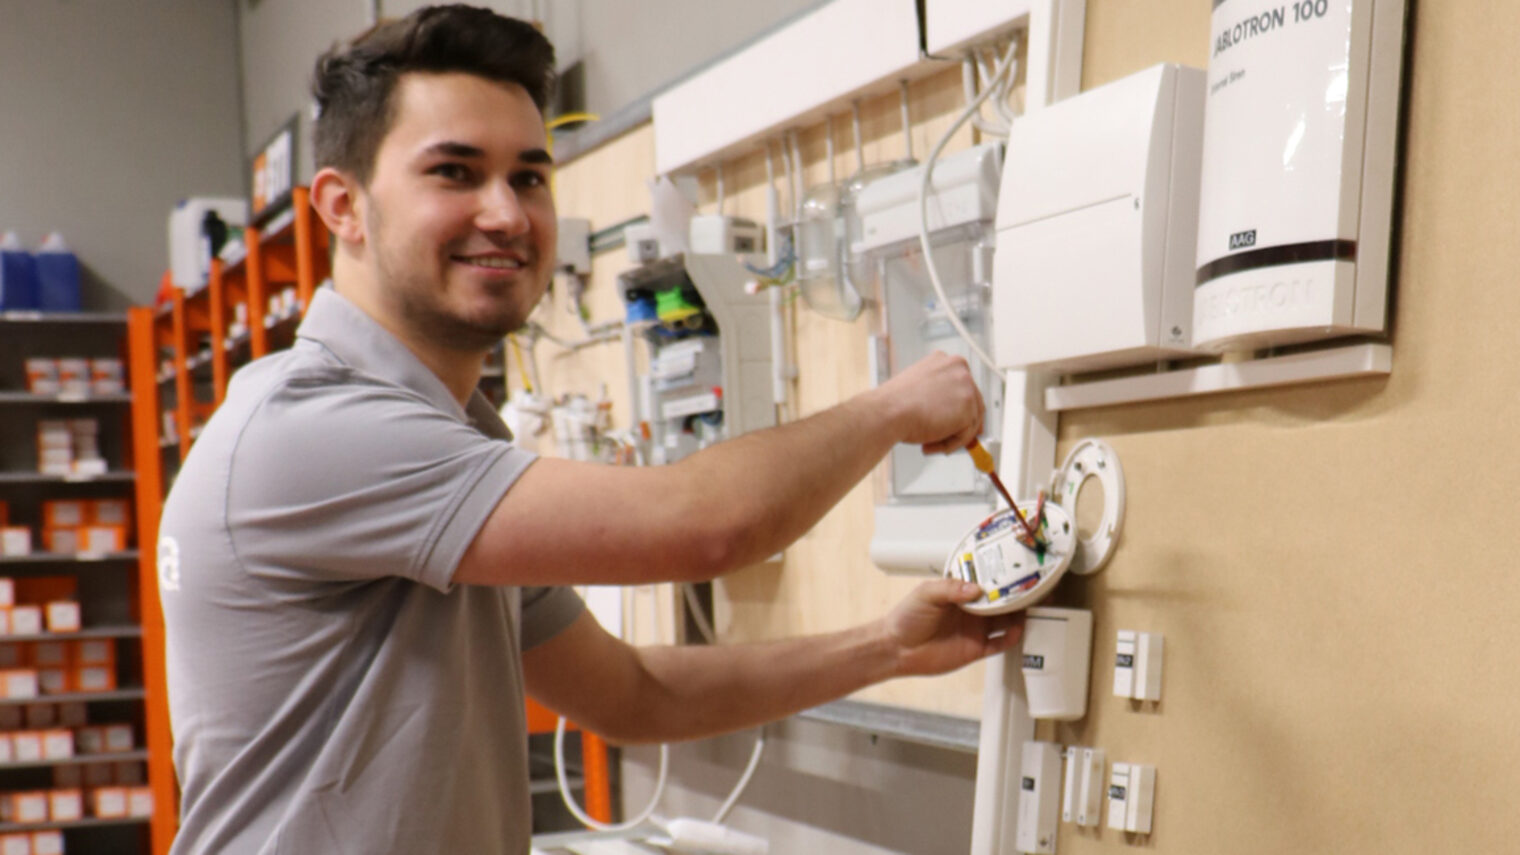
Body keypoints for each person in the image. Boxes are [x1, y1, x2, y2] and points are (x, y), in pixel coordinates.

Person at [156, 6, 1024, 854]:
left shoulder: (451, 441)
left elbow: (637, 695)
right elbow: (708, 525)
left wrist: (887, 645)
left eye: (529, 176)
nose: (505, 212)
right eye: (454, 172)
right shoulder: (315, 428)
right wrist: (891, 406)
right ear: (342, 206)